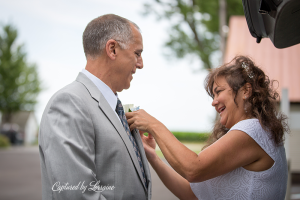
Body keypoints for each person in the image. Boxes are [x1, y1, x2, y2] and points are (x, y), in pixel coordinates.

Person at [126, 55, 289, 200]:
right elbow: (191, 194)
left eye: (219, 92)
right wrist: (152, 155)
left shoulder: (253, 129)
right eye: (213, 95)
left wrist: (152, 124)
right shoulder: (259, 130)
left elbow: (193, 168)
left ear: (246, 90)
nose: (213, 101)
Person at [39, 14, 151, 200]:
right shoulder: (69, 103)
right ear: (112, 49)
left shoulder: (115, 108)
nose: (140, 64)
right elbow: (77, 194)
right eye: (137, 54)